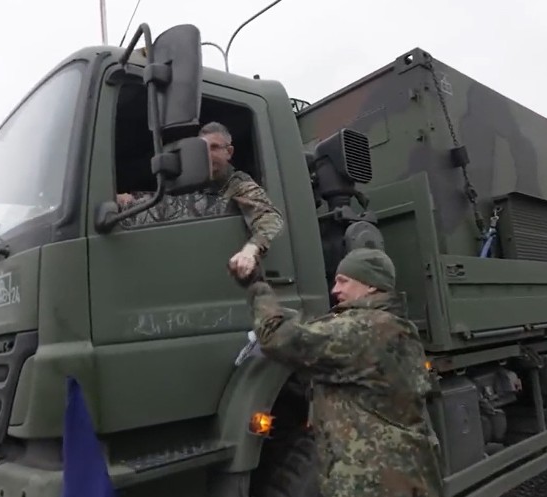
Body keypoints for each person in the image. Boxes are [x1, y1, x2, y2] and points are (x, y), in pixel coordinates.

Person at [231, 247, 444, 497]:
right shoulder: (390, 325)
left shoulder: (364, 329)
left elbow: (278, 339)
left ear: (371, 286)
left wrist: (257, 287)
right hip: (399, 473)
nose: (335, 290)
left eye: (344, 281)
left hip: (374, 481)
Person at [117, 121, 284, 277]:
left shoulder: (239, 184)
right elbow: (173, 204)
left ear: (229, 152)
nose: (208, 155)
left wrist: (250, 251)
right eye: (203, 149)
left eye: (214, 148)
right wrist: (131, 198)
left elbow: (270, 217)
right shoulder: (196, 182)